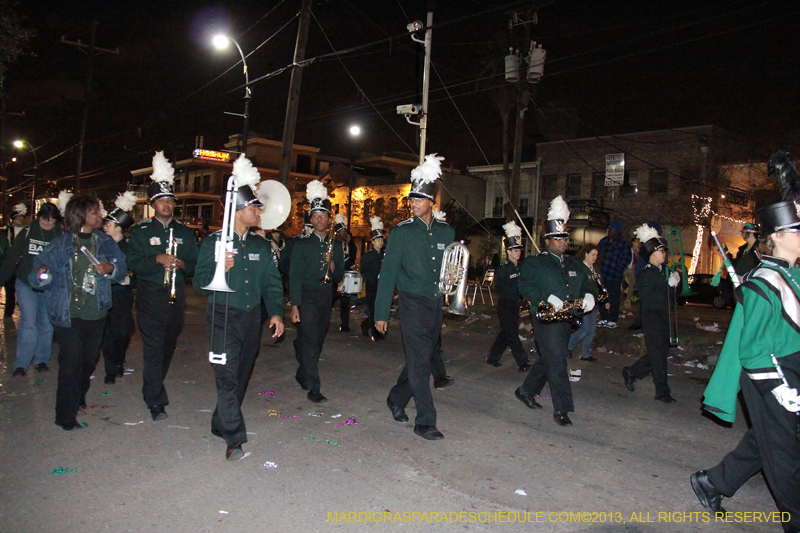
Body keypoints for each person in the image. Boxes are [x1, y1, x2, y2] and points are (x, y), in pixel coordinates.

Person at [692, 152, 800, 531]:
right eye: (797, 231)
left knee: (768, 439)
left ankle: (713, 482)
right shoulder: (762, 282)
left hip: (791, 368)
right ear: (777, 237)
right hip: (769, 374)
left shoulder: (794, 274)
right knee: (785, 457)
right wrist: (782, 390)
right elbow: (753, 352)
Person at [194, 154, 285, 461]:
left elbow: (272, 283)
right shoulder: (213, 242)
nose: (258, 211)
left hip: (250, 317)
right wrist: (219, 268)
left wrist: (276, 312)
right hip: (222, 316)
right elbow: (199, 283)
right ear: (237, 209)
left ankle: (220, 421)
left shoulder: (261, 245)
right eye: (253, 207)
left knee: (241, 374)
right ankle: (234, 438)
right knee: (226, 376)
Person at [375, 154, 455, 441]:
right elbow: (387, 275)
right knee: (421, 362)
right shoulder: (401, 233)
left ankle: (396, 398)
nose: (414, 202)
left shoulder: (446, 231)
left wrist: (453, 280)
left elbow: (451, 268)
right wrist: (381, 313)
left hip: (435, 303)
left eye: (420, 198)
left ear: (432, 201)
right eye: (412, 198)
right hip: (411, 303)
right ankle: (425, 421)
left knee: (421, 359)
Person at [30, 194, 126, 430]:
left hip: (96, 313)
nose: (100, 216)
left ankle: (78, 393)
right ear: (81, 215)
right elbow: (36, 276)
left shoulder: (105, 242)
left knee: (88, 361)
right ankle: (65, 415)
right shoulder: (60, 244)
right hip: (67, 315)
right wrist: (42, 273)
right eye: (94, 212)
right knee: (71, 363)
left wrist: (110, 268)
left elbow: (122, 269)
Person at [128, 151, 198, 421]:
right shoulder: (141, 231)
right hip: (150, 295)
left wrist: (183, 265)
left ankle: (153, 384)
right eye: (161, 200)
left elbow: (196, 264)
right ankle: (155, 399)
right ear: (153, 203)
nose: (166, 204)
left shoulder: (185, 232)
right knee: (154, 347)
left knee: (168, 345)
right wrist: (156, 259)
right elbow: (133, 262)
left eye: (170, 200)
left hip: (175, 296)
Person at [515, 196, 597, 427]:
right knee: (558, 361)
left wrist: (589, 295)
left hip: (568, 318)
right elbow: (524, 285)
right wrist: (545, 297)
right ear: (547, 240)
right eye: (558, 238)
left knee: (551, 357)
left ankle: (526, 390)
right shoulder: (536, 263)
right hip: (545, 318)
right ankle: (562, 408)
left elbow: (588, 283)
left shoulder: (574, 263)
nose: (563, 242)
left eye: (565, 238)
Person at [290, 179, 344, 403]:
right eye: (315, 216)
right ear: (311, 219)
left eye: (323, 216)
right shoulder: (302, 244)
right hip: (307, 295)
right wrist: (294, 304)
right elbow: (294, 276)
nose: (319, 220)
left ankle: (302, 371)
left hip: (326, 295)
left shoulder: (336, 245)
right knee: (312, 340)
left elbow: (339, 276)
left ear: (329, 219)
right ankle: (314, 388)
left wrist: (331, 263)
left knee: (317, 339)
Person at [0, 202, 64, 376]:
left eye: (51, 220)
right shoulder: (28, 232)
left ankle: (41, 360)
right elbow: (11, 257)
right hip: (26, 284)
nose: (47, 223)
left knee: (46, 324)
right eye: (44, 219)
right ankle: (21, 364)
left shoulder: (59, 235)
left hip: (49, 287)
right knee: (28, 323)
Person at [622, 224, 680, 403]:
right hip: (651, 315)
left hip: (662, 314)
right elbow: (649, 297)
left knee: (661, 352)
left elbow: (668, 296)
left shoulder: (661, 271)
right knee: (658, 354)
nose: (665, 254)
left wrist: (675, 285)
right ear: (653, 254)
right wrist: (667, 285)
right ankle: (662, 391)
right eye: (662, 251)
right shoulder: (646, 273)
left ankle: (631, 371)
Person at [101, 191, 138, 384]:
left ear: (118, 228)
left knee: (122, 333)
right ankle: (110, 369)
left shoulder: (130, 249)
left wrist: (119, 278)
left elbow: (135, 275)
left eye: (108, 225)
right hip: (104, 295)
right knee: (107, 334)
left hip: (121, 297)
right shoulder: (101, 246)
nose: (105, 227)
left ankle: (118, 361)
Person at [486, 220, 531, 371]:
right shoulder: (503, 269)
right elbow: (500, 288)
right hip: (506, 305)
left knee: (505, 333)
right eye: (515, 250)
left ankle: (492, 357)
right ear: (508, 251)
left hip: (515, 305)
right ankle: (522, 361)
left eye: (519, 250)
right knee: (512, 334)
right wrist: (515, 292)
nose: (518, 252)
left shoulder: (521, 268)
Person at [567, 244, 608, 362]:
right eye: (592, 254)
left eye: (596, 255)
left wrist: (605, 300)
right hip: (584, 303)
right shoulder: (580, 268)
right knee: (585, 329)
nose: (595, 257)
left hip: (595, 303)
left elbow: (600, 286)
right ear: (586, 254)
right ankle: (569, 346)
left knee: (591, 330)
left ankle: (585, 354)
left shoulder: (596, 269)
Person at [596, 220, 631, 329]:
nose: (609, 231)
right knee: (602, 296)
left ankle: (613, 319)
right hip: (603, 274)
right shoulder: (604, 241)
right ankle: (604, 317)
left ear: (617, 231)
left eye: (612, 229)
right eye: (609, 229)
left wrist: (618, 267)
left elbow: (627, 258)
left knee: (614, 298)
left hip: (614, 275)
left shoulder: (623, 243)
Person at [360, 215, 385, 341]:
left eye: (382, 239)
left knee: (380, 309)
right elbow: (364, 271)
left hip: (381, 287)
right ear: (373, 241)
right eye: (378, 240)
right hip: (372, 286)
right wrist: (372, 279)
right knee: (373, 309)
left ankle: (367, 324)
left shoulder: (383, 255)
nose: (381, 242)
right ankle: (375, 333)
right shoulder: (368, 255)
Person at [2, 203, 28, 318]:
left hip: (23, 264)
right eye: (18, 217)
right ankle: (8, 312)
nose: (20, 220)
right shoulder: (8, 230)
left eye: (21, 217)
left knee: (23, 288)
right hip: (11, 263)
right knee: (10, 289)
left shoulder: (28, 231)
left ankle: (23, 309)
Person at [332, 214, 354, 332]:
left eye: (344, 231)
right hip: (334, 277)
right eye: (342, 231)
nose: (344, 233)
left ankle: (345, 324)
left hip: (345, 276)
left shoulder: (347, 245)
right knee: (330, 300)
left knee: (345, 302)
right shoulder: (334, 244)